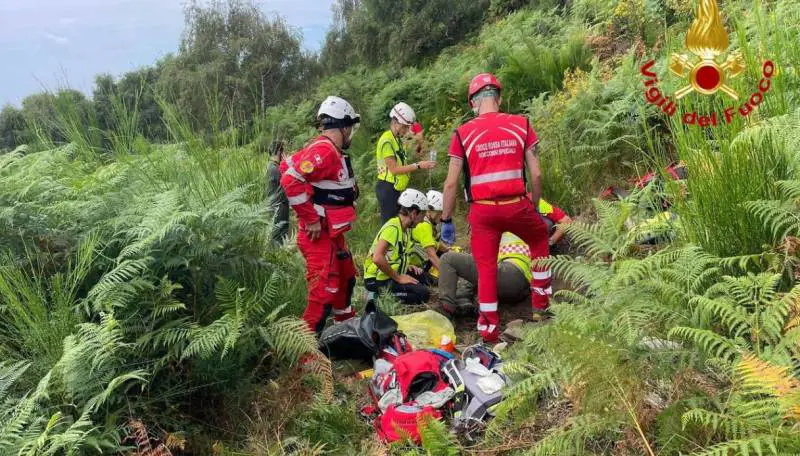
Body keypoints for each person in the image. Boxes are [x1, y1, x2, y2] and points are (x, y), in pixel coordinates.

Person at [440, 73, 552, 343]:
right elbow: (536, 175)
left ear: (473, 104)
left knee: (486, 266)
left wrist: (445, 220)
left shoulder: (462, 134)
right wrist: (534, 208)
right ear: (499, 99)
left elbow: (451, 184)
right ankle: (541, 309)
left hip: (483, 212)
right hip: (517, 204)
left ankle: (488, 331)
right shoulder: (521, 124)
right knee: (538, 239)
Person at [280, 96, 361, 335]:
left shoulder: (326, 150)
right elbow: (290, 180)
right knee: (323, 292)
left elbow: (289, 167)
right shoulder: (325, 151)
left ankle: (343, 327)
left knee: (346, 276)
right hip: (319, 234)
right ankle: (305, 352)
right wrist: (311, 218)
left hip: (332, 231)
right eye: (350, 129)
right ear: (344, 126)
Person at [439, 200, 572, 314]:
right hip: (516, 281)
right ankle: (463, 300)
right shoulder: (528, 227)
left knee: (448, 259)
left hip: (512, 274)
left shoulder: (507, 217)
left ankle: (447, 312)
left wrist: (549, 242)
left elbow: (566, 221)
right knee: (479, 263)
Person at [364, 189, 432, 306]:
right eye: (422, 215)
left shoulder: (405, 229)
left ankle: (390, 291)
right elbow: (377, 258)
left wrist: (407, 266)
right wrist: (399, 278)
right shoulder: (392, 228)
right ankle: (377, 296)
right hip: (376, 279)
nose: (422, 221)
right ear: (414, 213)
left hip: (389, 274)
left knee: (423, 278)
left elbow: (396, 254)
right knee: (422, 294)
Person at [375, 102, 436, 222]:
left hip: (397, 187)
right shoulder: (387, 141)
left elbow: (404, 159)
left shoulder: (397, 139)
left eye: (408, 127)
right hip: (388, 188)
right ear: (395, 122)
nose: (406, 130)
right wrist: (418, 165)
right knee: (389, 227)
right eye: (404, 126)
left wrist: (420, 147)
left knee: (400, 224)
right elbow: (395, 169)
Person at [407, 190, 448, 278]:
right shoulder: (424, 226)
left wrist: (448, 250)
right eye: (439, 212)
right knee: (430, 283)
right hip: (411, 267)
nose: (441, 216)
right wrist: (448, 275)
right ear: (429, 211)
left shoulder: (429, 223)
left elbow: (434, 243)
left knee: (446, 254)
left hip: (419, 263)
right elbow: (431, 255)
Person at [266, 139, 290, 245]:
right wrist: (288, 165)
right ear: (280, 152)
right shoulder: (275, 168)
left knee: (276, 233)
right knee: (279, 236)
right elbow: (288, 184)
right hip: (279, 206)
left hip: (274, 205)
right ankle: (279, 258)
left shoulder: (270, 166)